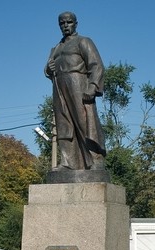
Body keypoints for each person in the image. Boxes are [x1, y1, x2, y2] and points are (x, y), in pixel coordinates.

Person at [44, 11, 106, 171]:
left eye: (69, 22)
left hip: (78, 84)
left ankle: (95, 160)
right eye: (62, 23)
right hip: (59, 86)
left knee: (84, 122)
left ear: (75, 23)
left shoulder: (83, 41)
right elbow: (47, 69)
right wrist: (48, 69)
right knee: (64, 123)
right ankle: (68, 162)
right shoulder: (56, 48)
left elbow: (96, 65)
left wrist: (92, 86)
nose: (65, 26)